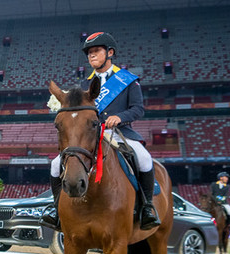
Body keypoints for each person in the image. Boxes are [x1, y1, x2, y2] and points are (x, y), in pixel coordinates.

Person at [41, 32, 160, 231]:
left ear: (110, 52)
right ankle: (56, 210)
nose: (92, 55)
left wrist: (120, 117)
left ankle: (147, 207)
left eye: (96, 51)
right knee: (55, 164)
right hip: (92, 135)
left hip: (121, 133)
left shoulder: (128, 80)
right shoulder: (85, 84)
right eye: (89, 53)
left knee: (144, 158)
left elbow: (138, 109)